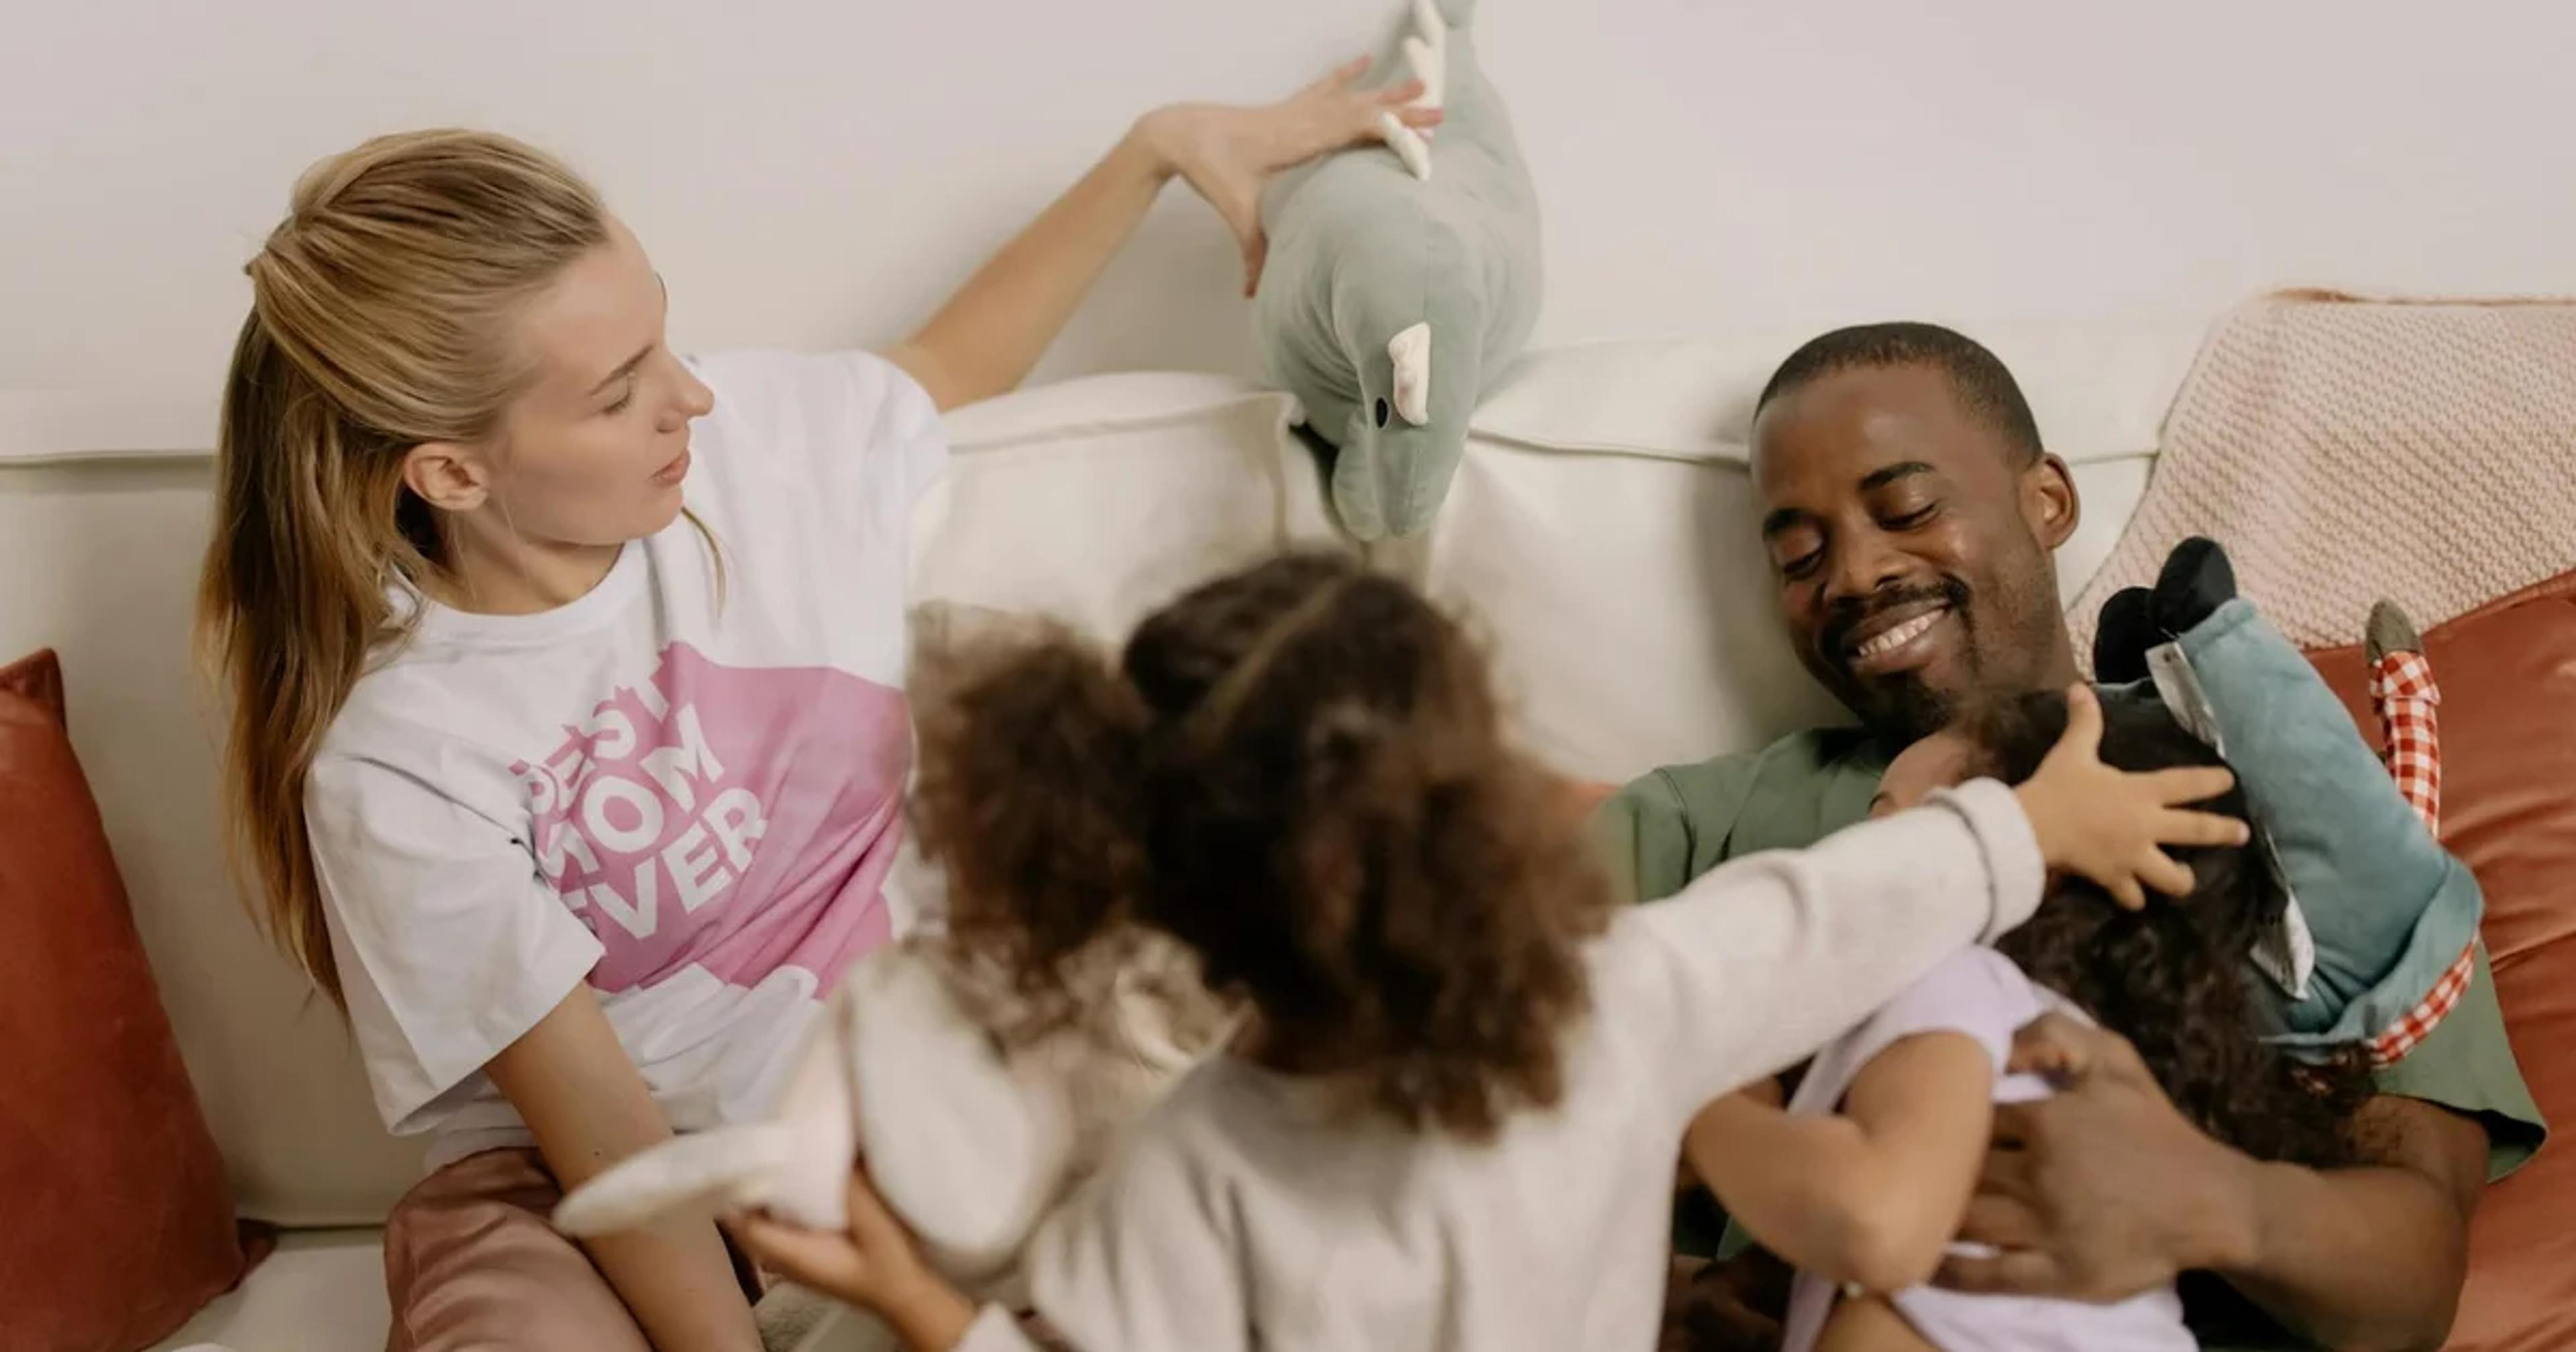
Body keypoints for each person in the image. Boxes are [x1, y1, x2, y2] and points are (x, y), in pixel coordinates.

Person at [195, 64, 1441, 1351]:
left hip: (883, 1116)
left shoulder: (751, 460)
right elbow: (603, 1129)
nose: (694, 397)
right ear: (452, 471)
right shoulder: (401, 756)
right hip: (583, 1176)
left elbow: (947, 363)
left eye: (665, 339)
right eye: (619, 392)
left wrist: (1156, 149)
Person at [730, 551, 2245, 1352]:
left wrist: (916, 1302)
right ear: (1490, 823)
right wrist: (2031, 827)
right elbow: (1834, 907)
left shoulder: (1196, 1168)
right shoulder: (1619, 1003)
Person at [1595, 322, 2545, 1350]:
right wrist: (1666, 1293)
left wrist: (2204, 1199)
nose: (1854, 575)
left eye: (1906, 509)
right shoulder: (1698, 827)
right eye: (1799, 554)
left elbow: (2410, 1290)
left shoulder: (2268, 787)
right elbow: (1443, 1098)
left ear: (2046, 500)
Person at [1688, 689, 2373, 1351]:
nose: (1863, 854)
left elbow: (1879, 1225)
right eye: (1872, 821)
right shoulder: (2039, 1039)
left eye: (1914, 823)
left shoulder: (1952, 979)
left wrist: (1695, 1101)